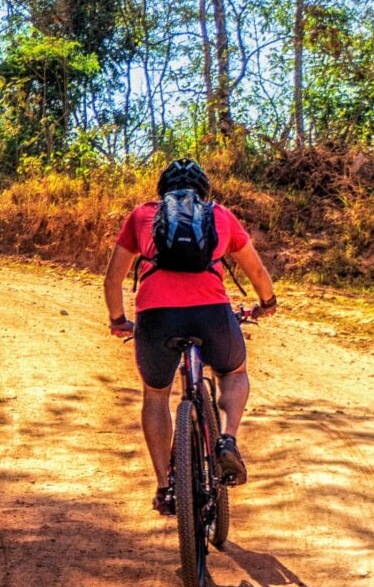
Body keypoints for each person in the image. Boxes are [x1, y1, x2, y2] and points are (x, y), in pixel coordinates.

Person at [102, 158, 278, 513]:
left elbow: (113, 278)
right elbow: (256, 270)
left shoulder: (141, 216)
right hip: (210, 314)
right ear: (204, 191)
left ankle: (166, 487)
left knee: (155, 394)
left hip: (156, 317)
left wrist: (119, 319)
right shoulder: (220, 216)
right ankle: (227, 440)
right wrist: (267, 303)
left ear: (161, 189)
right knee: (233, 371)